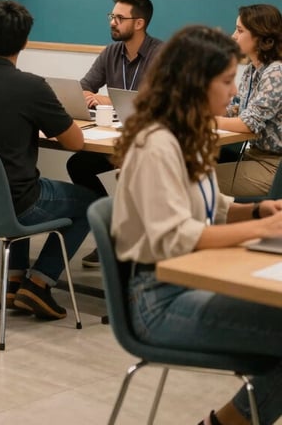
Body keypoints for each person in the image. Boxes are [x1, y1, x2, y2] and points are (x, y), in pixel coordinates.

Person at [112, 24, 282, 425]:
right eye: (226, 81)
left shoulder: (186, 134)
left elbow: (211, 206)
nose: (235, 92)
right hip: (157, 302)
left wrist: (260, 211)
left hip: (190, 283)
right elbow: (177, 235)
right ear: (195, 83)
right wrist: (264, 231)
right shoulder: (155, 143)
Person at [0, 0, 97, 320]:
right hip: (14, 203)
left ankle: (14, 282)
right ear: (26, 43)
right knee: (91, 202)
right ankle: (39, 284)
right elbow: (75, 141)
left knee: (14, 181)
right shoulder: (31, 87)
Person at [67, 0, 162, 268]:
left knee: (132, 172)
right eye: (112, 16)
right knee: (79, 165)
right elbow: (85, 87)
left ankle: (132, 246)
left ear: (140, 23)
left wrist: (107, 99)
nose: (113, 22)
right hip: (115, 139)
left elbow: (157, 102)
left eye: (120, 18)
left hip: (149, 141)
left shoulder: (162, 54)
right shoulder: (111, 52)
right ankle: (111, 231)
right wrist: (86, 96)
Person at [215, 4, 282, 197]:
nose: (233, 36)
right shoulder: (253, 69)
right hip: (253, 157)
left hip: (273, 166)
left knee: (196, 183)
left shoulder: (276, 72)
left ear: (261, 37)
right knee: (192, 172)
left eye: (240, 30)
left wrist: (209, 121)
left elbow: (248, 124)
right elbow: (240, 110)